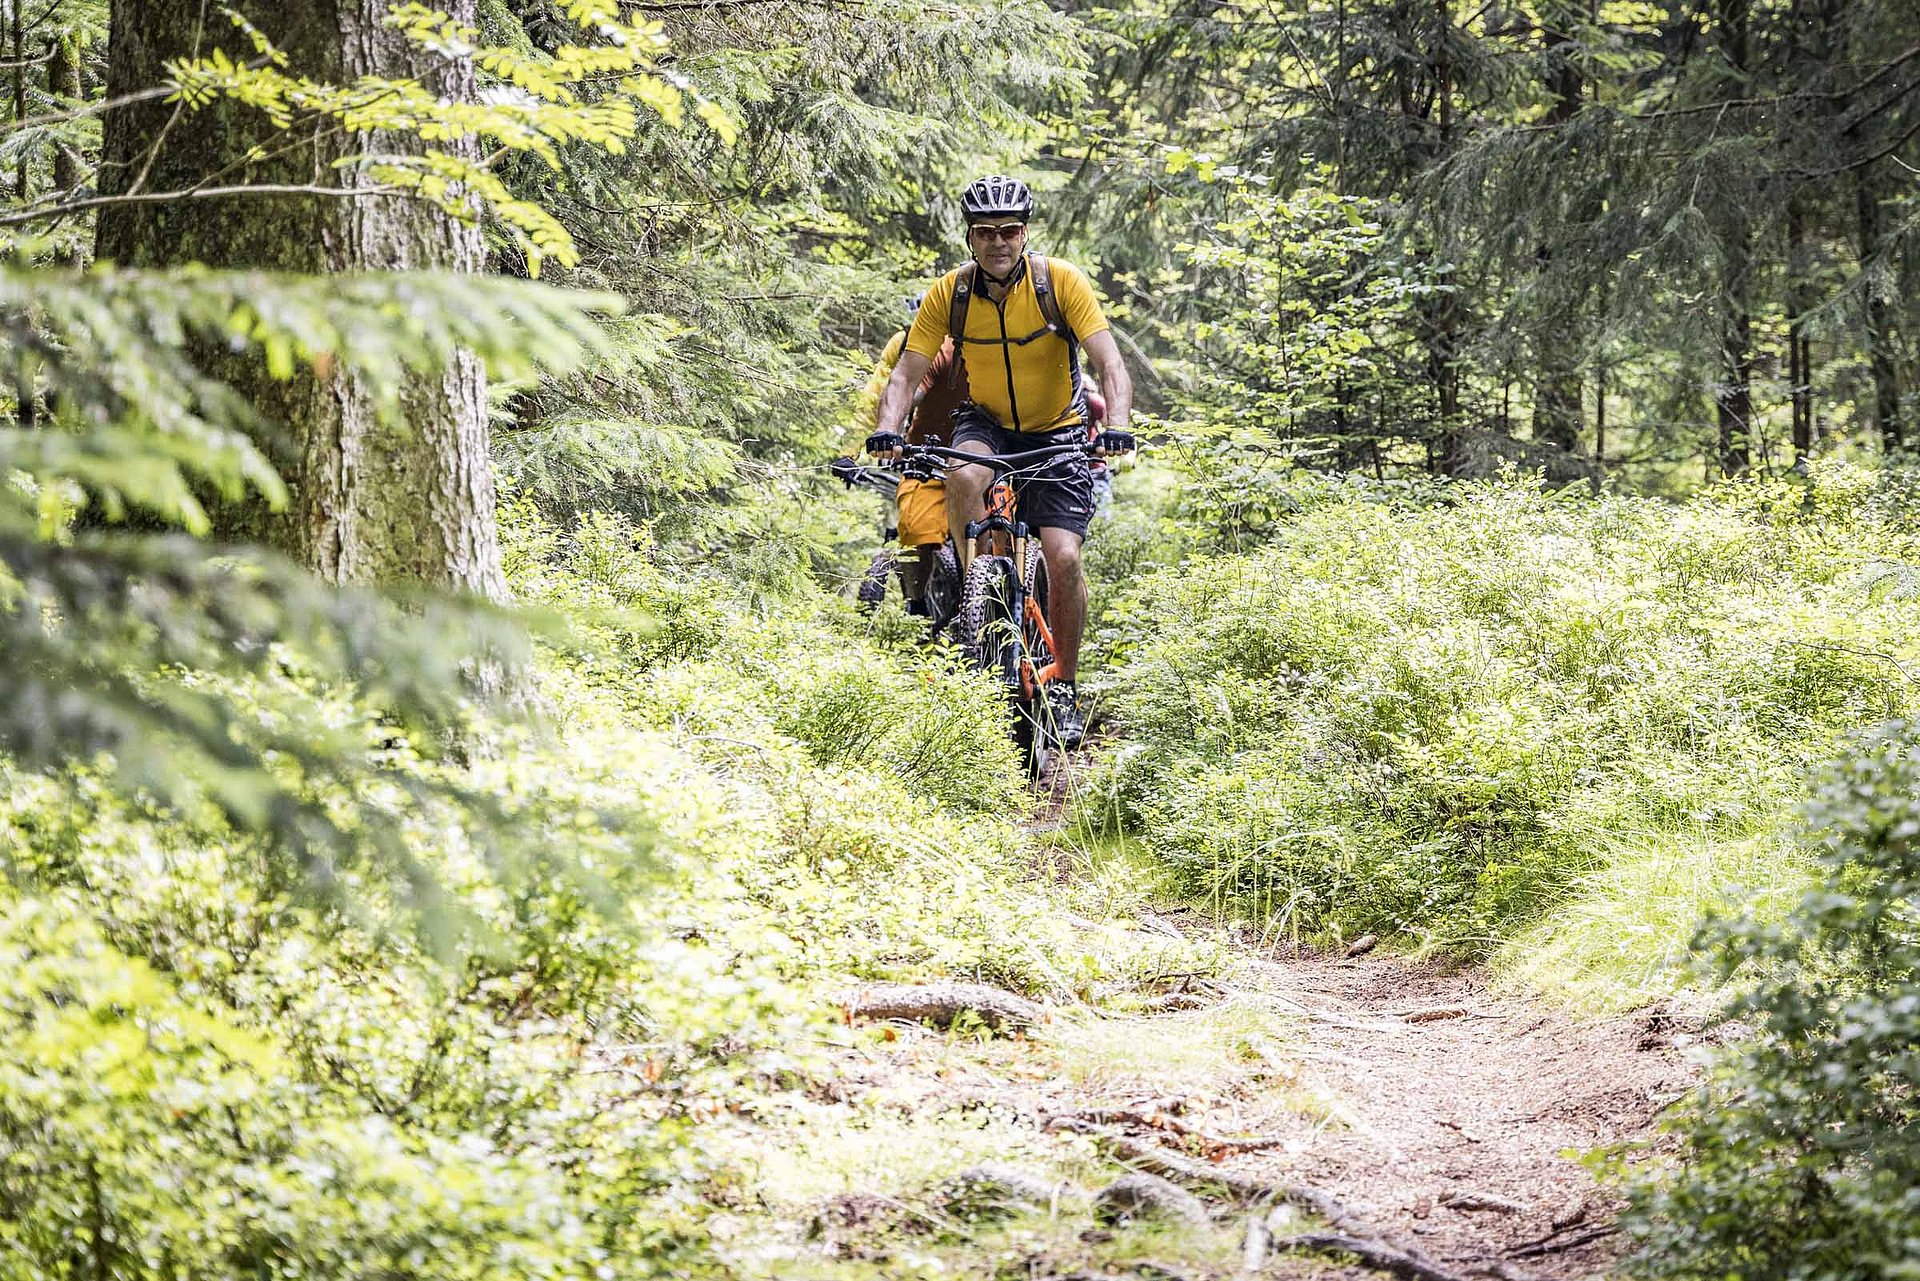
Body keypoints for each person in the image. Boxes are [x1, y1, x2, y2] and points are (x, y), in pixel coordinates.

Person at [867, 175, 1135, 749]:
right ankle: (974, 590)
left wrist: (1117, 425)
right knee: (963, 472)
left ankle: (1063, 680)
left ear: (1025, 233)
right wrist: (888, 429)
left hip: (1058, 429)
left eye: (1009, 231)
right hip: (985, 421)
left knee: (1062, 558)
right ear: (970, 237)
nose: (998, 242)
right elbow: (905, 374)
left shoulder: (1059, 283)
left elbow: (1111, 365)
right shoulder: (951, 293)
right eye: (986, 233)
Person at [850, 297, 964, 614]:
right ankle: (917, 609)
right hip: (922, 451)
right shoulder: (905, 347)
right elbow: (881, 395)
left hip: (981, 453)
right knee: (918, 530)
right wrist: (854, 448)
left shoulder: (978, 346)